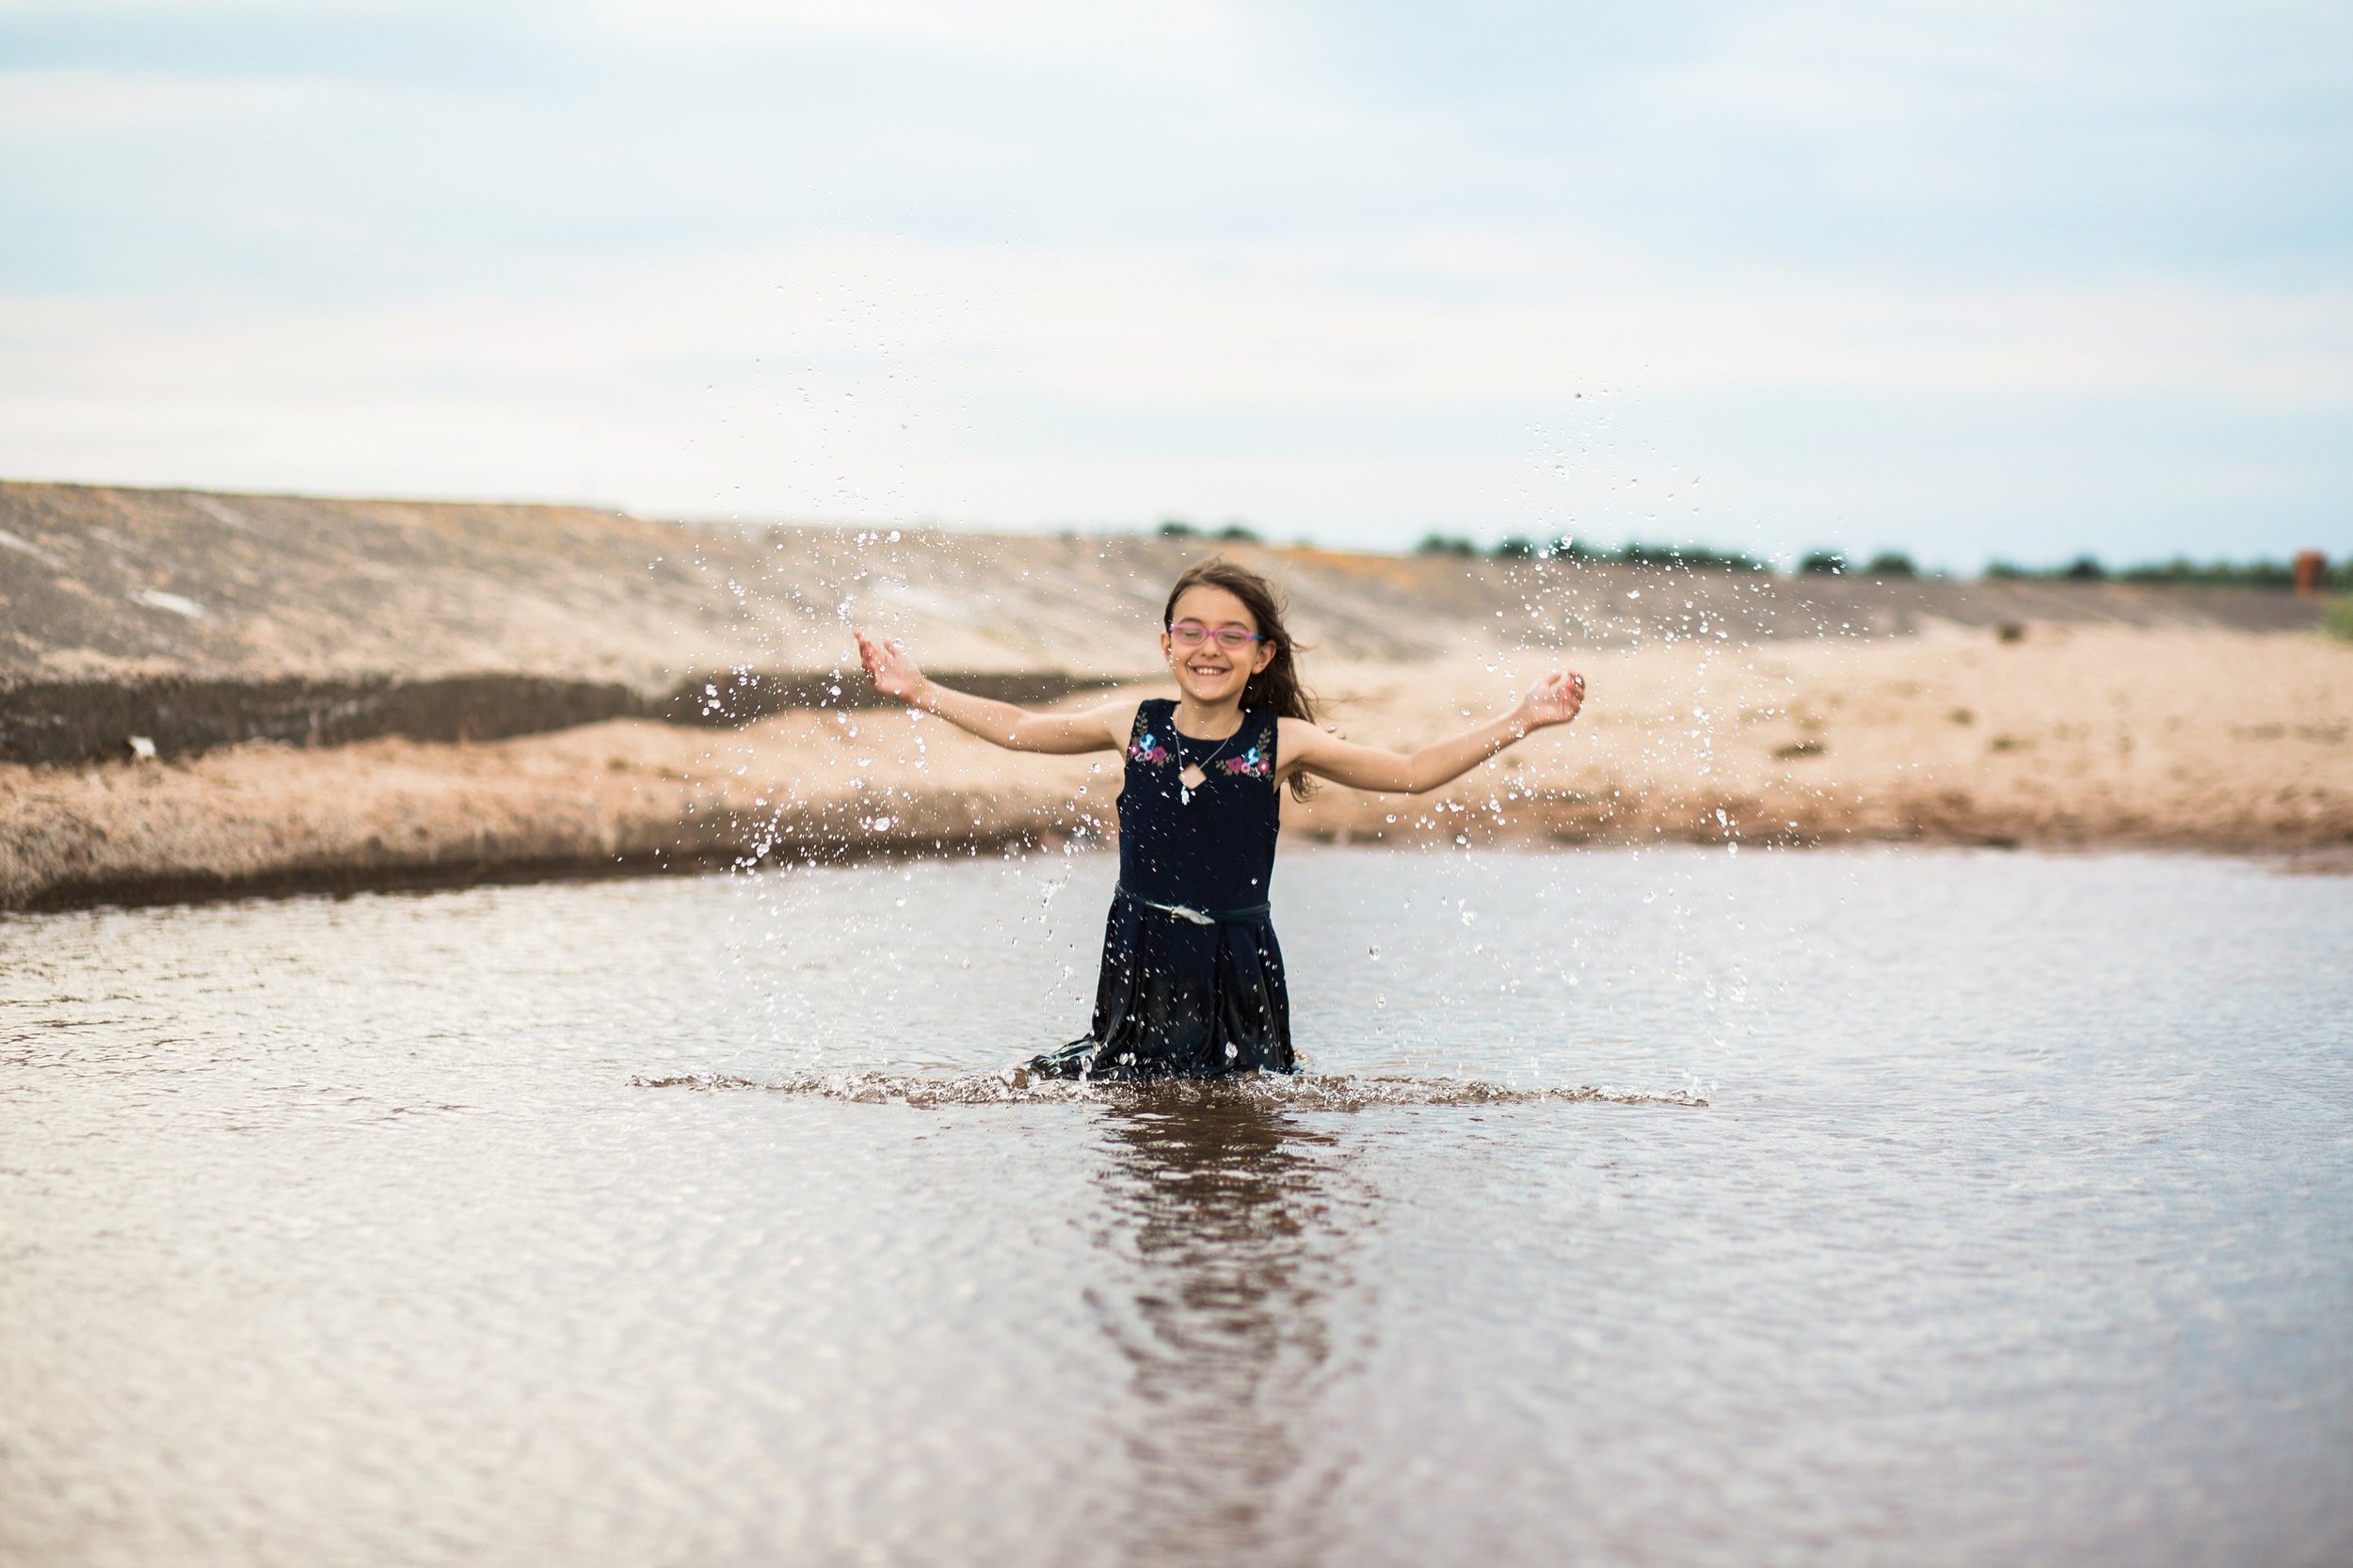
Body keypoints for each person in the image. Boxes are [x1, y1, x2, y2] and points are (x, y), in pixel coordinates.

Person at [853, 557, 1586, 1081]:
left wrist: (1523, 719)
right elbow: (1019, 726)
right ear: (1166, 643)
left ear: (1262, 654)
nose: (1210, 647)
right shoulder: (1130, 723)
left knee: (1249, 1100)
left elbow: (1412, 772)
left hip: (1237, 960)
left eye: (1233, 635)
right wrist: (918, 690)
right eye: (1192, 631)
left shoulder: (1281, 740)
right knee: (1130, 1094)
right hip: (1141, 947)